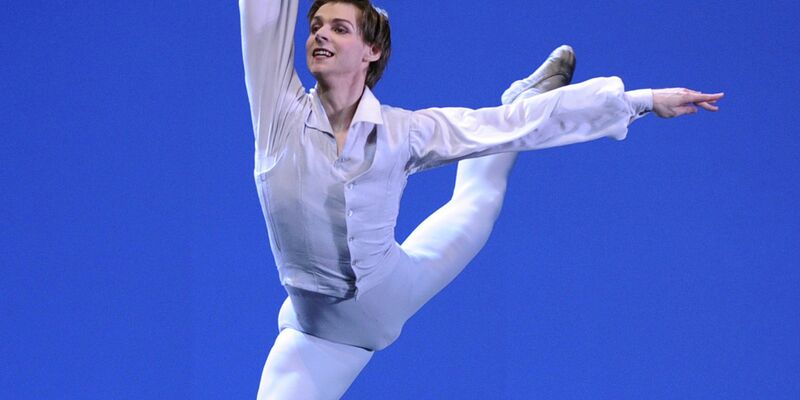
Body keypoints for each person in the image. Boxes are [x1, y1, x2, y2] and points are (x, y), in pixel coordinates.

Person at [239, 0, 724, 398]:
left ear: (370, 50)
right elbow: (262, 14)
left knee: (477, 200)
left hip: (394, 287)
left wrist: (641, 100)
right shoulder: (277, 110)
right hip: (317, 336)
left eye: (339, 28)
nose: (320, 35)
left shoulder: (404, 132)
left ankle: (521, 96)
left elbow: (504, 130)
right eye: (316, 25)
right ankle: (520, 96)